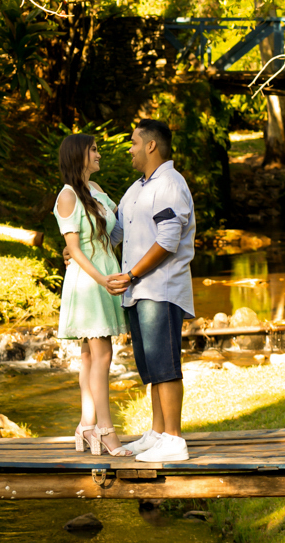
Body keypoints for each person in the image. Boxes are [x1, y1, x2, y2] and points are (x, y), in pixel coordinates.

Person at [106, 119, 195, 463]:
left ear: (151, 145)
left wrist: (131, 274)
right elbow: (115, 233)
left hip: (160, 288)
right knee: (152, 367)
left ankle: (174, 439)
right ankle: (158, 433)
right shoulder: (136, 189)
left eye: (133, 143)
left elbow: (168, 240)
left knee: (166, 365)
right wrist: (76, 247)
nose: (129, 149)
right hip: (139, 291)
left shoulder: (170, 184)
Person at [53, 133, 133, 457]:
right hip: (89, 282)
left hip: (104, 274)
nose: (99, 154)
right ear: (79, 156)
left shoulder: (96, 190)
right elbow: (74, 249)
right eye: (94, 150)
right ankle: (106, 430)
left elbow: (116, 228)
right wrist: (102, 280)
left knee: (90, 357)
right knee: (102, 356)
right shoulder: (67, 196)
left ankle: (86, 425)